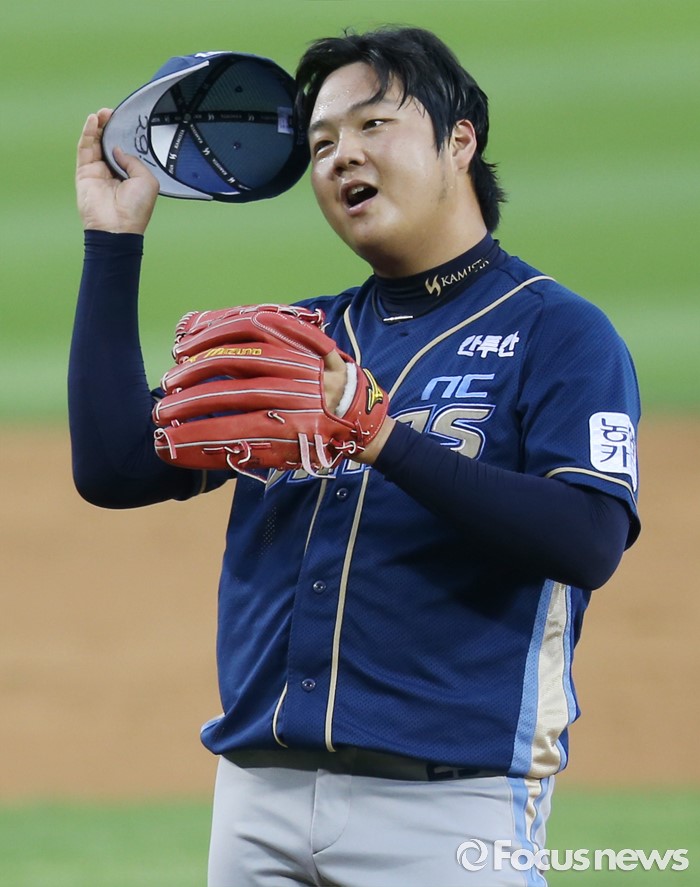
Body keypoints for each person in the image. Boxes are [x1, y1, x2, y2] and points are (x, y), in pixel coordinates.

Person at [71, 25, 641, 887]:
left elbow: (589, 538)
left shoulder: (557, 333)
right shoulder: (300, 342)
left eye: (373, 125)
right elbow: (116, 469)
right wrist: (112, 243)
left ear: (460, 140)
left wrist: (384, 439)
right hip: (256, 803)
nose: (342, 156)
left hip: (447, 809)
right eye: (322, 143)